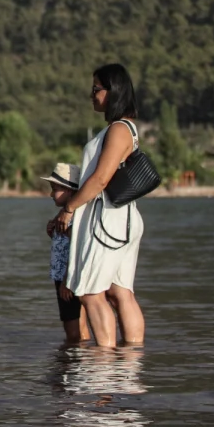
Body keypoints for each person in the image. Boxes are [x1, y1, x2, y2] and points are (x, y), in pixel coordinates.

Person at [55, 63, 146, 348]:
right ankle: (130, 363)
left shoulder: (119, 129)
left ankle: (105, 364)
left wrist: (68, 208)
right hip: (121, 220)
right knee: (120, 292)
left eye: (96, 89)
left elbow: (101, 179)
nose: (91, 95)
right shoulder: (123, 128)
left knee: (92, 293)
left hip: (107, 222)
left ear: (113, 91)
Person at [43, 163, 91, 343]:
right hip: (69, 276)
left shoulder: (69, 219)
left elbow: (76, 248)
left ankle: (74, 360)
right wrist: (53, 234)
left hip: (67, 278)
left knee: (72, 328)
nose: (51, 194)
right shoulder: (69, 216)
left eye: (55, 189)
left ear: (71, 192)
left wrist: (66, 281)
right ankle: (79, 357)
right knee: (79, 323)